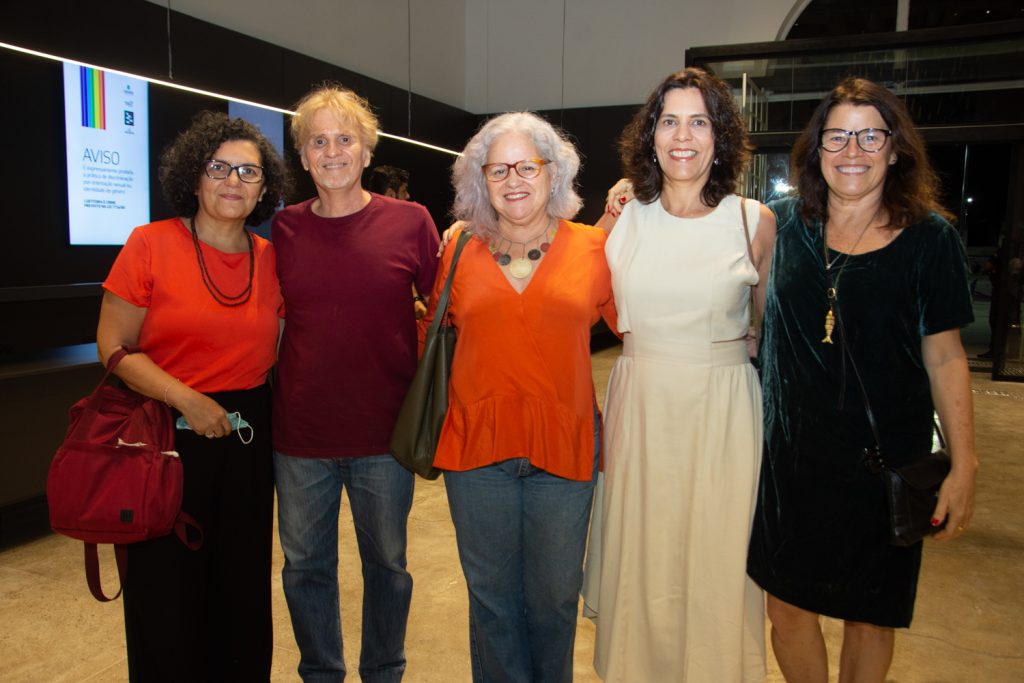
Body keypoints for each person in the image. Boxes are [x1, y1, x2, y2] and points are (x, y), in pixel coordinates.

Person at [746, 77, 978, 682]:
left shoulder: (931, 240)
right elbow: (752, 321)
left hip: (883, 467)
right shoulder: (785, 227)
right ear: (816, 150)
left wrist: (965, 464)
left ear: (896, 148)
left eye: (870, 135)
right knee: (786, 609)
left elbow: (947, 357)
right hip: (792, 466)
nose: (853, 149)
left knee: (870, 618)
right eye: (838, 135)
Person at [585, 67, 776, 682]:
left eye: (700, 121)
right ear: (651, 134)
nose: (684, 136)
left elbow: (766, 328)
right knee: (644, 559)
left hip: (722, 414)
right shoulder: (623, 218)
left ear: (720, 136)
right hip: (641, 406)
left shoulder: (754, 222)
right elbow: (560, 282)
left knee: (716, 560)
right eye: (670, 121)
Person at [96, 111, 290, 681]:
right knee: (166, 586)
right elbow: (113, 345)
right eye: (218, 167)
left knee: (242, 580)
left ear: (264, 187)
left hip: (248, 435)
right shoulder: (150, 244)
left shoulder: (271, 257)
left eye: (248, 172)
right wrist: (187, 399)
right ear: (195, 176)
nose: (233, 181)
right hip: (163, 434)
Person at [427, 111, 615, 682]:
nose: (513, 179)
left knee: (556, 602)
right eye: (497, 169)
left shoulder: (593, 249)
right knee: (492, 603)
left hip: (564, 447)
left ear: (552, 173)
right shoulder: (458, 249)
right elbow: (428, 338)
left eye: (526, 166)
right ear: (479, 181)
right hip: (476, 452)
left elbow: (638, 329)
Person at [272, 85, 440, 683]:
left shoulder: (411, 222)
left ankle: (383, 673)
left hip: (384, 434)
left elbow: (448, 307)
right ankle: (321, 673)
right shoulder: (282, 231)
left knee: (387, 567)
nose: (333, 151)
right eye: (318, 141)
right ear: (303, 155)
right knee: (304, 568)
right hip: (300, 436)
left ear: (368, 150)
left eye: (346, 138)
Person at [368, 164, 427, 319]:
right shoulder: (411, 221)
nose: (408, 196)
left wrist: (415, 300)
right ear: (390, 194)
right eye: (403, 190)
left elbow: (402, 272)